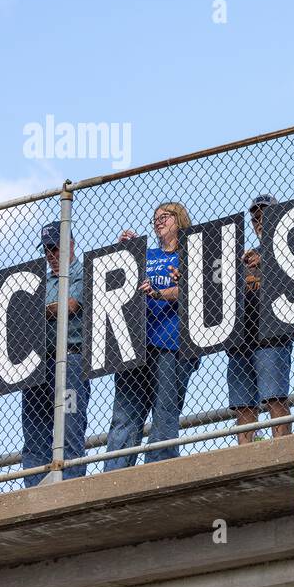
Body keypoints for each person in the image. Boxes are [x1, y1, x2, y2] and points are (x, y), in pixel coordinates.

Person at [104, 201, 201, 469]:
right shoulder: (147, 256)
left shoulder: (192, 255)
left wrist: (162, 292)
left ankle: (158, 469)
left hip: (173, 342)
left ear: (180, 220)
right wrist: (124, 252)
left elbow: (196, 291)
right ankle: (114, 474)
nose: (159, 221)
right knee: (125, 413)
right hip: (137, 344)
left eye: (166, 217)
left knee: (165, 410)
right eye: (155, 218)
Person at [21, 222, 91, 486]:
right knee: (34, 430)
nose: (51, 255)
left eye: (55, 248)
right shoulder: (39, 281)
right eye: (47, 251)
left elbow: (70, 306)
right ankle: (35, 489)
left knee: (71, 423)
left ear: (70, 245)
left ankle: (71, 484)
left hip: (72, 360)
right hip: (39, 363)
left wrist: (33, 313)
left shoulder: (83, 271)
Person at [227, 194, 294, 443]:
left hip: (272, 333)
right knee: (243, 404)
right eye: (255, 217)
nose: (260, 221)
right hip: (241, 336)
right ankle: (245, 453)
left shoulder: (293, 246)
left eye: (266, 215)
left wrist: (267, 262)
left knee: (274, 397)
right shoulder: (243, 256)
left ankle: (281, 447)